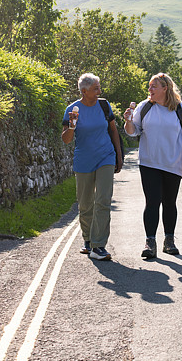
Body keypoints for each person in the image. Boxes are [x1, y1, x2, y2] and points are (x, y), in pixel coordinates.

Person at [123, 72, 182, 259]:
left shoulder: (181, 109)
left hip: (173, 163)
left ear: (165, 89)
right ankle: (150, 242)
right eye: (149, 86)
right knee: (152, 201)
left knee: (169, 202)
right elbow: (133, 132)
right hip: (150, 162)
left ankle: (169, 240)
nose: (150, 90)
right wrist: (127, 121)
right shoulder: (145, 107)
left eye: (153, 87)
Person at [62, 73, 124, 261]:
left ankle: (99, 246)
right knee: (85, 203)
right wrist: (72, 124)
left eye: (99, 87)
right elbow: (66, 139)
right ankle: (88, 240)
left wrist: (118, 156)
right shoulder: (72, 109)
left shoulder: (104, 105)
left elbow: (113, 130)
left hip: (106, 156)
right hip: (84, 160)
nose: (99, 91)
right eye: (96, 88)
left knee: (103, 200)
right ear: (84, 91)